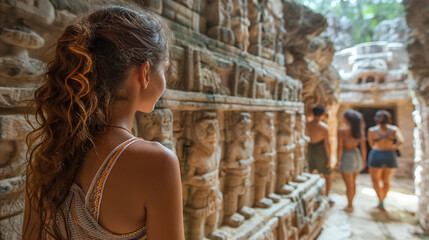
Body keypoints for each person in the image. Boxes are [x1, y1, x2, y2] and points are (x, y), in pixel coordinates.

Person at [23, 6, 185, 240]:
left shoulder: (48, 156)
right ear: (145, 72)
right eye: (165, 69)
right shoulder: (157, 163)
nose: (165, 80)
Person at [367, 110, 404, 210]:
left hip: (376, 153)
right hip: (389, 154)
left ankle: (380, 200)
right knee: (386, 181)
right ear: (389, 119)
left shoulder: (372, 130)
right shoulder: (394, 129)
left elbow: (371, 144)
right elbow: (401, 141)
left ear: (376, 119)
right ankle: (382, 200)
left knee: (375, 180)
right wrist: (393, 147)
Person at [336, 110, 367, 212]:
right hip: (356, 156)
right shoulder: (359, 131)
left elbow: (340, 148)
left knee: (348, 184)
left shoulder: (342, 131)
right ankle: (351, 203)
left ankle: (350, 205)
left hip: (346, 156)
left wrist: (338, 161)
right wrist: (364, 160)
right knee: (353, 183)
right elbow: (363, 148)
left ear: (346, 119)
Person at [306, 105, 333, 205]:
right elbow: (327, 144)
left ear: (312, 113)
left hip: (310, 151)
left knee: (309, 173)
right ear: (323, 114)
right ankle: (326, 196)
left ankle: (310, 195)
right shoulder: (324, 127)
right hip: (321, 152)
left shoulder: (306, 125)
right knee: (327, 175)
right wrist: (329, 159)